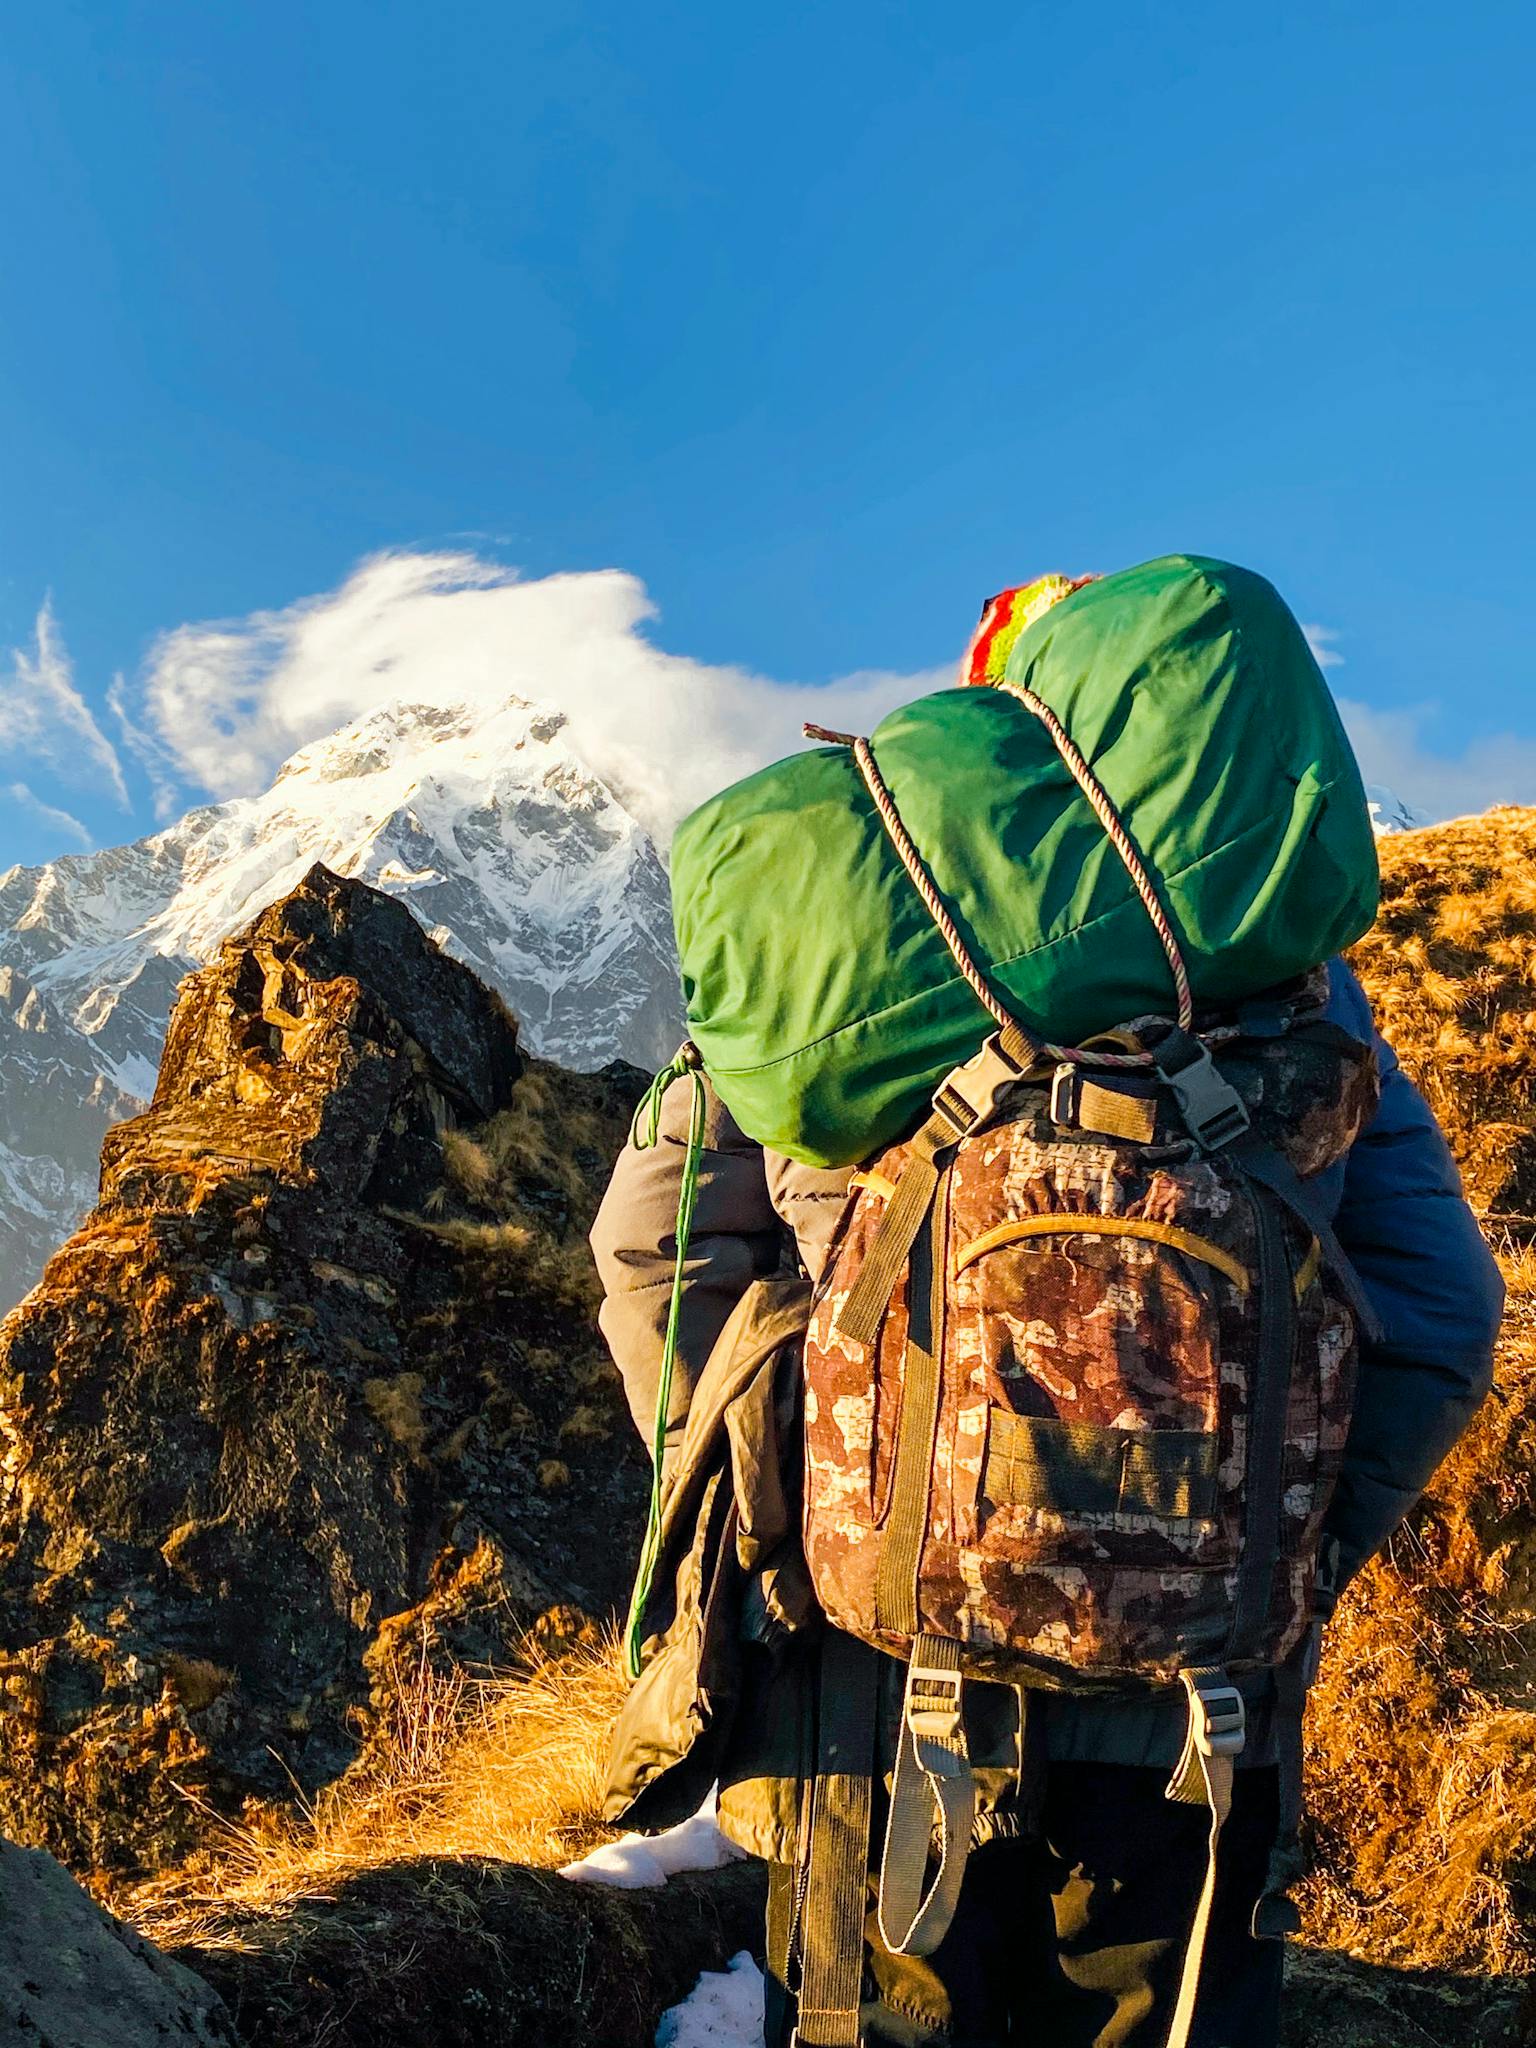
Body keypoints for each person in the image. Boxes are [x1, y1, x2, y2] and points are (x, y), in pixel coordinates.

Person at [590, 590, 1503, 2047]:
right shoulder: (1300, 998)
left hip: (874, 1692)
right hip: (1202, 1708)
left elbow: (654, 1247)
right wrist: (1286, 1542)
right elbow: (1447, 1316)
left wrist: (805, 1506)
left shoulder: (848, 975)